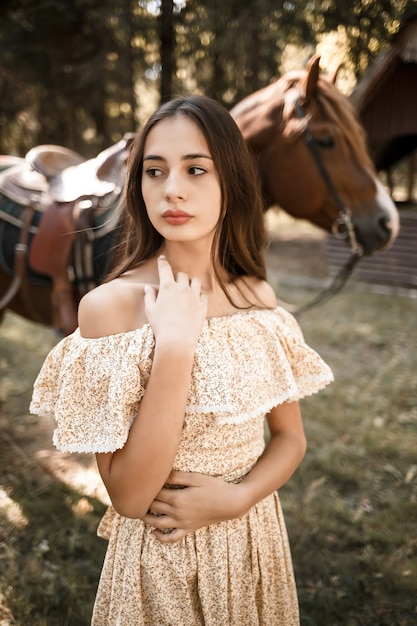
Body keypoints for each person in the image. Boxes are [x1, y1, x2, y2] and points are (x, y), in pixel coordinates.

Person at [30, 94, 333, 625]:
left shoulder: (256, 298)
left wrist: (237, 499)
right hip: (161, 566)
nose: (172, 188)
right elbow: (128, 495)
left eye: (196, 169)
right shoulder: (109, 310)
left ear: (232, 182)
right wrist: (174, 348)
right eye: (154, 170)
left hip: (254, 543)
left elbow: (290, 438)